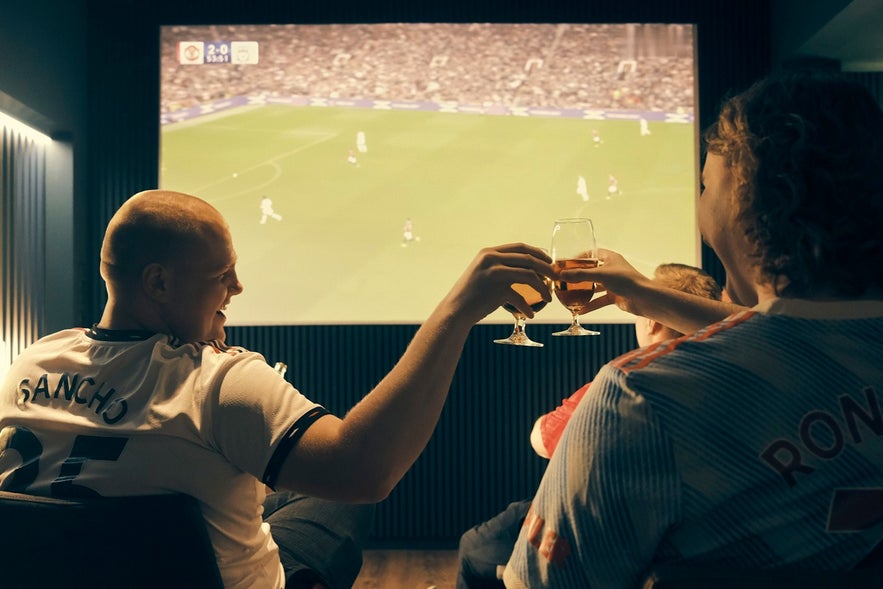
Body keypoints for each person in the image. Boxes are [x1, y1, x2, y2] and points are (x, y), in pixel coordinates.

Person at [0, 189, 554, 589]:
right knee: (329, 497)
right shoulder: (216, 380)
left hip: (73, 567)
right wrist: (458, 311)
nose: (237, 288)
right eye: (223, 275)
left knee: (267, 486)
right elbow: (364, 469)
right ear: (159, 282)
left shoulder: (29, 361)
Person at [504, 70, 883, 588]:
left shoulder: (638, 398)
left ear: (745, 205)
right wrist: (642, 290)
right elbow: (799, 337)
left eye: (706, 186)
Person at [457, 263, 722, 589]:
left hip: (606, 533)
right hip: (693, 536)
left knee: (473, 548)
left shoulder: (625, 384)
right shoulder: (727, 381)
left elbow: (541, 440)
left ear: (651, 319)